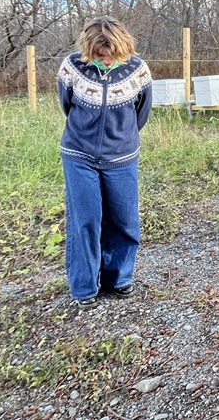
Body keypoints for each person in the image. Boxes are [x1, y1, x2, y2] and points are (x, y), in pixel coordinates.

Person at [57, 16, 153, 310]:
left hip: (122, 157)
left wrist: (120, 138)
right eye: (99, 55)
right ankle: (84, 286)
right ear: (89, 49)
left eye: (111, 54)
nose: (106, 59)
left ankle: (118, 278)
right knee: (85, 220)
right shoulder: (72, 66)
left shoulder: (138, 70)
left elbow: (141, 113)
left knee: (124, 220)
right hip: (79, 155)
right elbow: (66, 104)